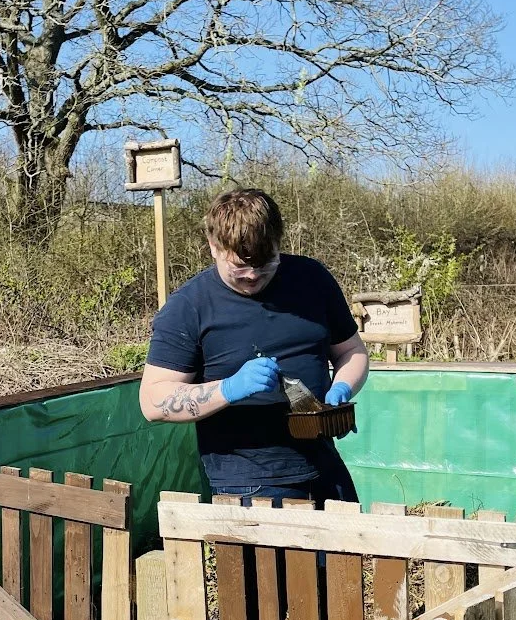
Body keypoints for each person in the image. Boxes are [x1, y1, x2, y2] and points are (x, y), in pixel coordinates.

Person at [139, 188, 369, 507]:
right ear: (214, 247)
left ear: (279, 244)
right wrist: (228, 389)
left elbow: (351, 352)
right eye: (240, 266)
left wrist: (343, 385)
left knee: (343, 557)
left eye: (265, 264)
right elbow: (152, 401)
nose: (252, 276)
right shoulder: (188, 307)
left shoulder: (312, 280)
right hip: (247, 483)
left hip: (323, 464)